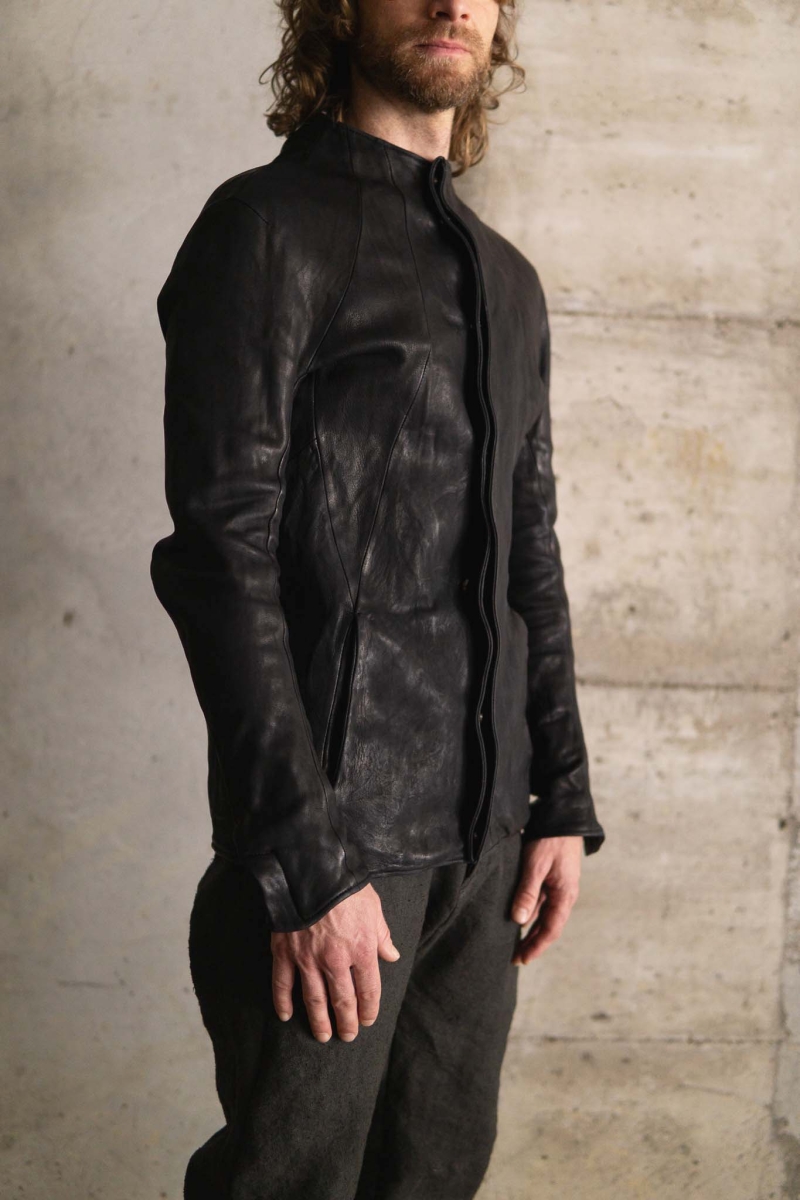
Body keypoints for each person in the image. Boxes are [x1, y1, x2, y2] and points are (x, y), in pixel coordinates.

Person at [150, 0, 607, 1194]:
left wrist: (557, 797)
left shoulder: (506, 280)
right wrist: (305, 859)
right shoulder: (264, 228)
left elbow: (528, 556)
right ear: (340, 7)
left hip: (486, 847)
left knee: (433, 1179)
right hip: (333, 843)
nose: (451, 5)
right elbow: (219, 555)